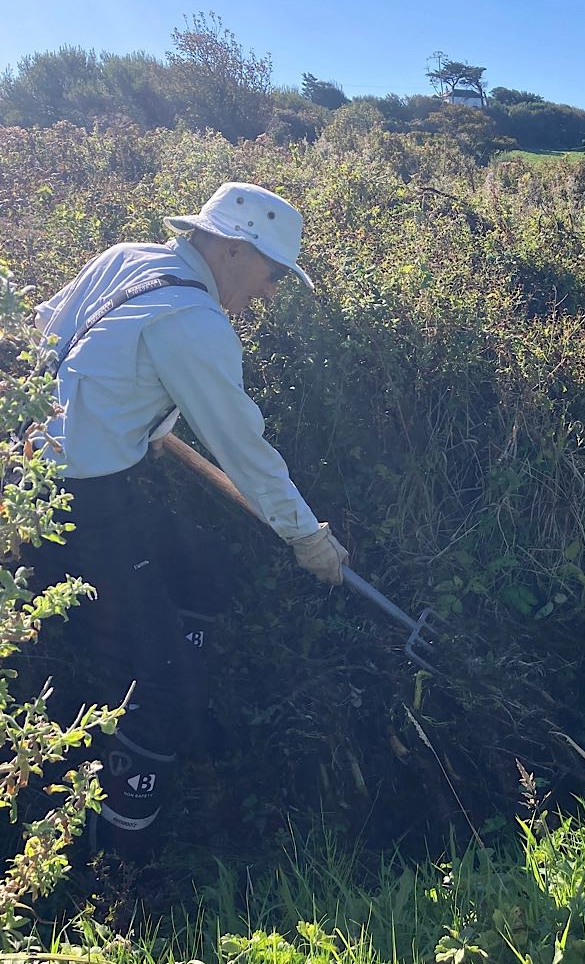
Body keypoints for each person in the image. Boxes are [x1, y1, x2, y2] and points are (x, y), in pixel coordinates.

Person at [27, 182, 348, 861]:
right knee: (159, 686)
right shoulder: (195, 322)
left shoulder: (127, 258)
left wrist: (114, 412)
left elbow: (40, 335)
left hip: (36, 477)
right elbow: (245, 451)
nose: (268, 293)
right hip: (79, 502)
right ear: (233, 249)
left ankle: (178, 698)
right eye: (271, 274)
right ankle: (118, 867)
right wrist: (307, 537)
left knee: (206, 569)